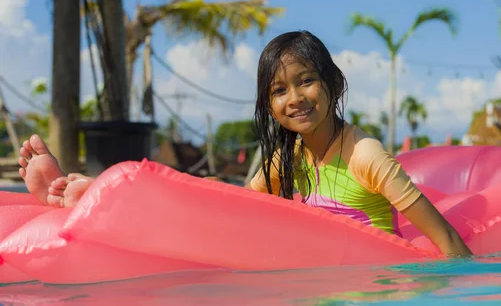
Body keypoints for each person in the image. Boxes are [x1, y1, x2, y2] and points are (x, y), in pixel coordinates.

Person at [19, 30, 472, 258]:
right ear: (268, 103)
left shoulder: (365, 154)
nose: (294, 98)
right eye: (279, 90)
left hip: (374, 286)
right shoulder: (285, 158)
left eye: (306, 81)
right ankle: (88, 193)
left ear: (333, 82)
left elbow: (446, 238)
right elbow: (223, 201)